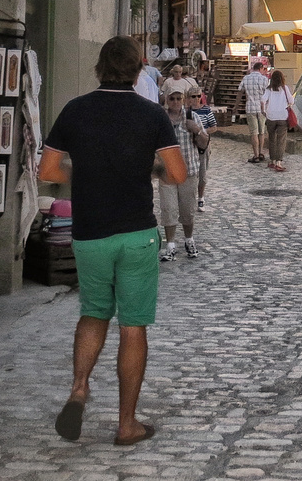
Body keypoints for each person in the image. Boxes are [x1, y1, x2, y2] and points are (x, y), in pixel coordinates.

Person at [38, 35, 187, 446]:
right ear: (140, 69)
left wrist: (81, 177)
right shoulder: (151, 114)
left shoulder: (75, 110)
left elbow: (47, 170)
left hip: (90, 233)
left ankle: (80, 388)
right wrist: (152, 170)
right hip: (136, 232)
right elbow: (178, 175)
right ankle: (126, 424)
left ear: (99, 67)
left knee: (93, 313)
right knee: (133, 326)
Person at [156, 88, 207, 261]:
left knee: (187, 209)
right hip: (167, 172)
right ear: (167, 100)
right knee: (168, 208)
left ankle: (188, 239)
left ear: (183, 100)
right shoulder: (161, 119)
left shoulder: (192, 117)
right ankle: (170, 245)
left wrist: (197, 130)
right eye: (172, 98)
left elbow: (204, 143)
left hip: (188, 171)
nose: (176, 102)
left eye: (179, 98)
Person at [261, 70, 295, 171]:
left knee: (271, 138)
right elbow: (291, 101)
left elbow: (263, 100)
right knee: (281, 140)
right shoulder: (285, 88)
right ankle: (278, 162)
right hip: (282, 116)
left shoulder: (269, 89)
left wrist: (264, 111)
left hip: (271, 116)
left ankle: (272, 160)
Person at [190, 90, 216, 211]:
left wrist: (201, 133)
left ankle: (201, 198)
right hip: (189, 145)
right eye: (193, 96)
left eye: (198, 96)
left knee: (202, 173)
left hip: (203, 145)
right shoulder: (186, 111)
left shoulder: (206, 110)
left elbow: (214, 126)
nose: (196, 98)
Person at [240, 61, 269, 163]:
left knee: (254, 133)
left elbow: (240, 92)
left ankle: (255, 155)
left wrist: (235, 106)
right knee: (262, 132)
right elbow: (268, 94)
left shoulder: (246, 78)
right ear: (261, 68)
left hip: (250, 108)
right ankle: (261, 153)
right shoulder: (265, 79)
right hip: (262, 108)